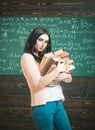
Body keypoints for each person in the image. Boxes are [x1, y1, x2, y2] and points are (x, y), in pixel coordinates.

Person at [21, 27, 72, 130]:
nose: (43, 44)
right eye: (40, 40)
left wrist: (64, 76)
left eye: (46, 41)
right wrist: (57, 70)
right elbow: (38, 83)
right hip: (43, 105)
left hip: (58, 102)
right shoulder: (27, 57)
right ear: (33, 39)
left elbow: (69, 79)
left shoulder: (48, 57)